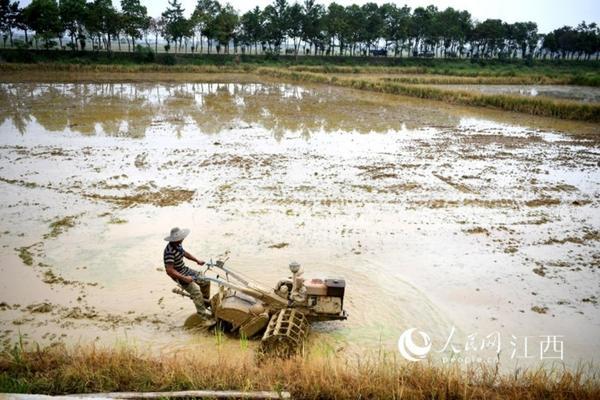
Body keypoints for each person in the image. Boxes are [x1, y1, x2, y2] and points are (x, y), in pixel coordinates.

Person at [163, 227, 213, 321]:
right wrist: (184, 278)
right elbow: (169, 271)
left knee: (205, 281)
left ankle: (204, 305)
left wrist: (197, 260)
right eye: (181, 238)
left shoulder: (178, 245)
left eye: (182, 237)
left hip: (184, 269)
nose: (183, 239)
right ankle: (203, 318)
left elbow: (185, 254)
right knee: (196, 292)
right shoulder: (169, 252)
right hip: (178, 275)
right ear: (175, 239)